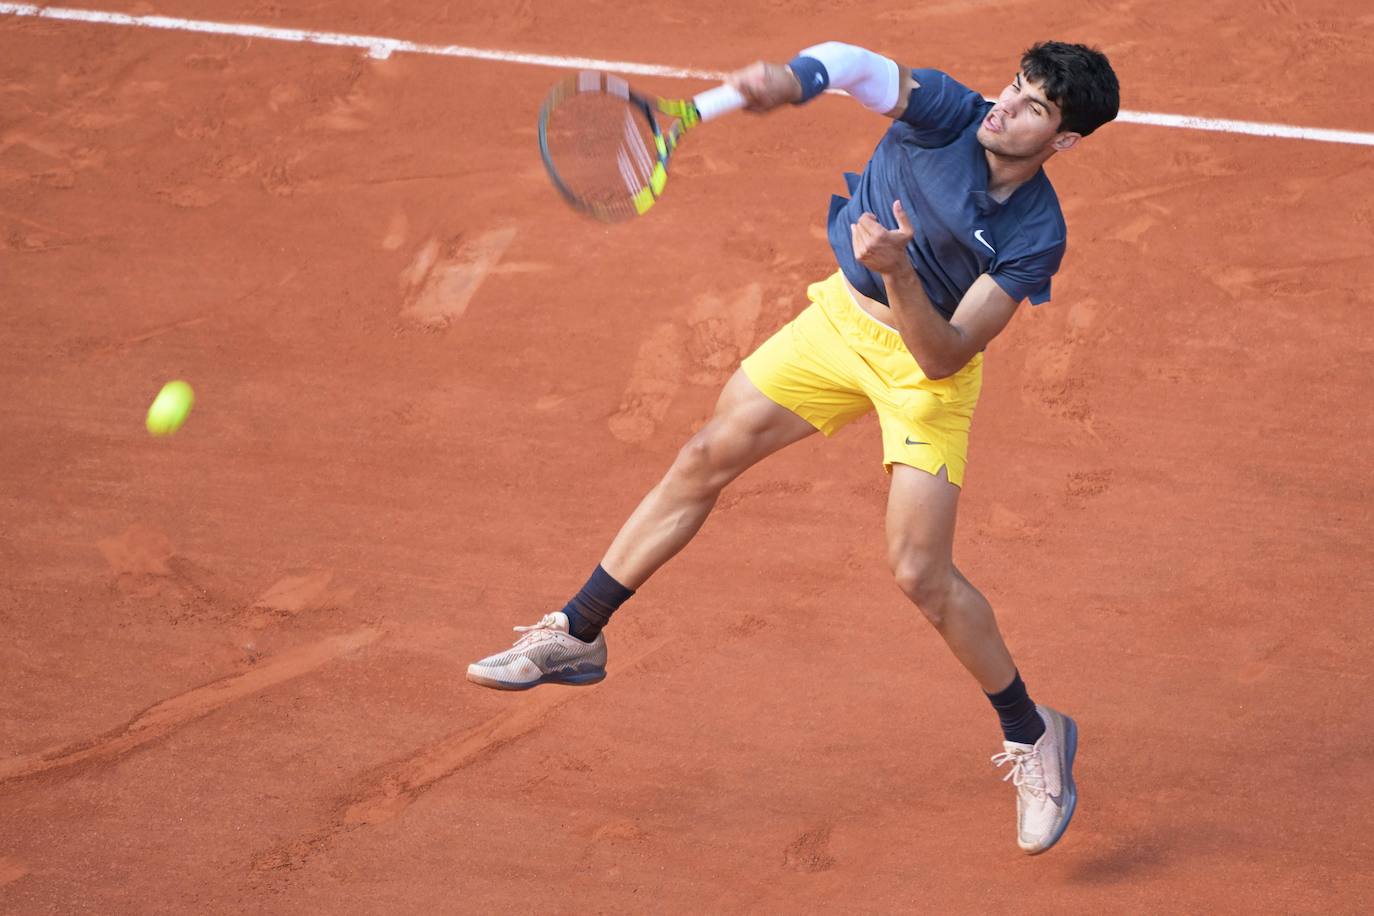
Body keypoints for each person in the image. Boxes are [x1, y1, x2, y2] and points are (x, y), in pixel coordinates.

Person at [468, 40, 1120, 855]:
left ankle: (1034, 733)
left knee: (920, 572)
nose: (1006, 107)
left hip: (924, 376)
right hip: (836, 328)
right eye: (1014, 87)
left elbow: (946, 354)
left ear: (1062, 142)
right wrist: (796, 79)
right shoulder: (946, 112)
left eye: (1033, 108)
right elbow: (854, 64)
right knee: (707, 454)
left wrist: (900, 273)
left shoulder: (1036, 232)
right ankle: (578, 630)